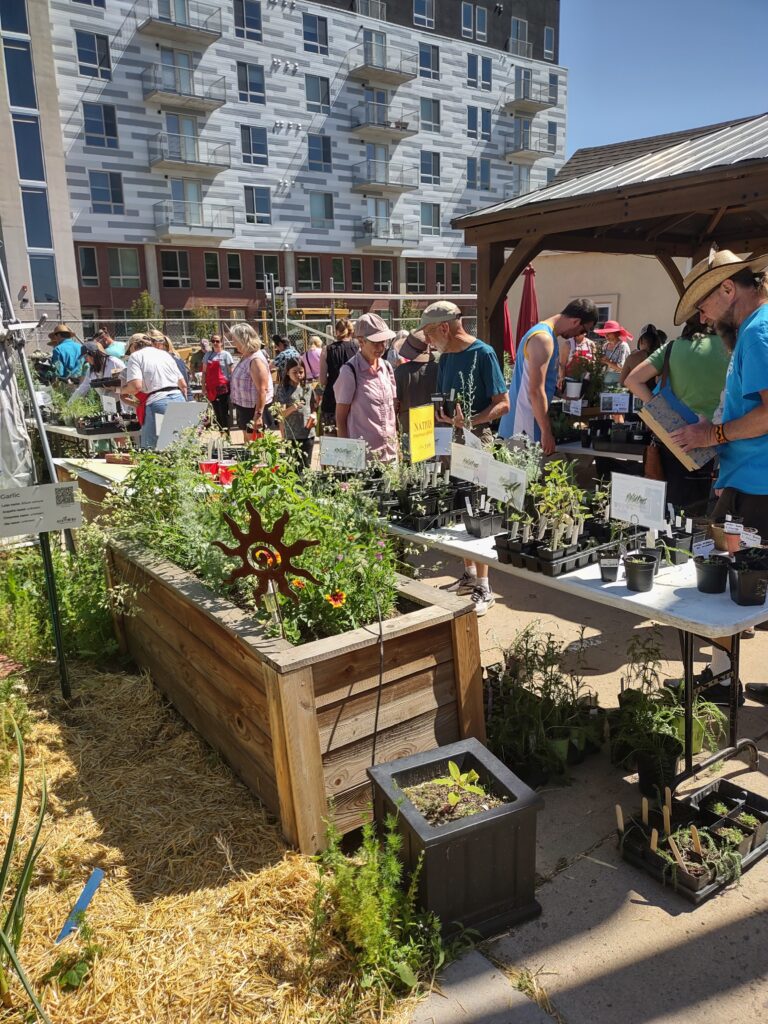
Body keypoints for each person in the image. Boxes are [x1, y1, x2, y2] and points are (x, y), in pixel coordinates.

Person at [666, 248, 768, 706]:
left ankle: (722, 681)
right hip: (748, 478)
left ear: (728, 288)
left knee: (732, 585)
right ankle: (722, 675)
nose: (703, 319)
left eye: (703, 306)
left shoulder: (757, 333)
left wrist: (716, 432)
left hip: (756, 484)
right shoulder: (753, 330)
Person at [419, 300, 510, 617]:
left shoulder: (483, 354)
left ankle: (485, 585)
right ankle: (469, 575)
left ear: (444, 327)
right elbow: (445, 400)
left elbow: (503, 404)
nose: (428, 341)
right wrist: (443, 415)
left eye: (430, 333)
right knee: (458, 509)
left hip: (477, 439)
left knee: (479, 510)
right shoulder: (445, 358)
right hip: (451, 440)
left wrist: (472, 420)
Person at [625, 316, 729, 510]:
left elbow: (632, 380)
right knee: (713, 511)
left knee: (673, 511)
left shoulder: (672, 348)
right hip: (721, 437)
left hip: (676, 437)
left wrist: (660, 409)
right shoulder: (731, 347)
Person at [499, 299, 598, 454]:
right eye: (583, 330)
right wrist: (546, 431)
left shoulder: (545, 334)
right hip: (523, 426)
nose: (582, 335)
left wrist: (559, 393)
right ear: (576, 321)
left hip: (522, 424)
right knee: (522, 477)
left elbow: (533, 382)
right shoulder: (543, 339)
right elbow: (536, 391)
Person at [334, 313, 398, 463]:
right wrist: (346, 459)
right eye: (376, 342)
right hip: (364, 458)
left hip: (390, 454)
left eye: (384, 342)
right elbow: (340, 418)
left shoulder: (387, 367)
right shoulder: (349, 371)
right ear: (361, 341)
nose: (381, 347)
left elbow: (392, 410)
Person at [121, 335, 187, 449]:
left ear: (134, 346)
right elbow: (183, 385)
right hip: (179, 398)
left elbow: (136, 386)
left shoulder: (136, 356)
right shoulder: (165, 354)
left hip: (158, 402)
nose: (129, 353)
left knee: (150, 450)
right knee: (179, 447)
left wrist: (121, 390)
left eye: (129, 350)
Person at [226, 322, 273, 433]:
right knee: (249, 443)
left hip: (254, 410)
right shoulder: (246, 356)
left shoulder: (256, 360)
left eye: (235, 339)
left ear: (243, 340)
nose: (233, 343)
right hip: (245, 408)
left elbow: (262, 390)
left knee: (255, 444)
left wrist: (258, 416)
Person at [319, 317, 359, 435]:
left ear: (336, 332)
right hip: (354, 400)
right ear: (352, 332)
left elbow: (322, 380)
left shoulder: (327, 350)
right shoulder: (359, 348)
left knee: (332, 443)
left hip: (332, 400)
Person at [275, 357, 316, 471]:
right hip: (292, 435)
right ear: (288, 372)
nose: (298, 375)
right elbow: (280, 414)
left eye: (301, 372)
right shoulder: (283, 389)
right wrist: (293, 408)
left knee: (306, 466)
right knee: (293, 468)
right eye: (295, 372)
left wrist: (314, 416)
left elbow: (313, 406)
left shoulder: (307, 387)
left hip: (308, 433)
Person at [395, 330, 438, 435]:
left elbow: (395, 404)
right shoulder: (439, 369)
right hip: (435, 425)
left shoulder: (401, 372)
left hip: (409, 427)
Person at [69, 340, 129, 413]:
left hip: (122, 404)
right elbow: (82, 388)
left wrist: (113, 388)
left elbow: (127, 386)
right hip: (107, 405)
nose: (86, 360)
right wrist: (69, 404)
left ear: (93, 353)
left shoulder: (113, 363)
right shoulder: (91, 370)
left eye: (86, 356)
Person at [202, 335, 234, 428]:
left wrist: (233, 387)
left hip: (222, 387)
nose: (215, 343)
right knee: (216, 412)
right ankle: (221, 433)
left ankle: (226, 435)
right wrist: (203, 387)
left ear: (221, 342)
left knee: (223, 411)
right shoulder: (208, 355)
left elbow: (231, 372)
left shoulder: (226, 355)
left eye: (217, 341)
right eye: (213, 341)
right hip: (211, 387)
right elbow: (204, 372)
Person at [149, 330, 190, 397]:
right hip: (179, 397)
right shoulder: (172, 357)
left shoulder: (168, 359)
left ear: (156, 344)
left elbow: (183, 385)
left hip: (177, 398)